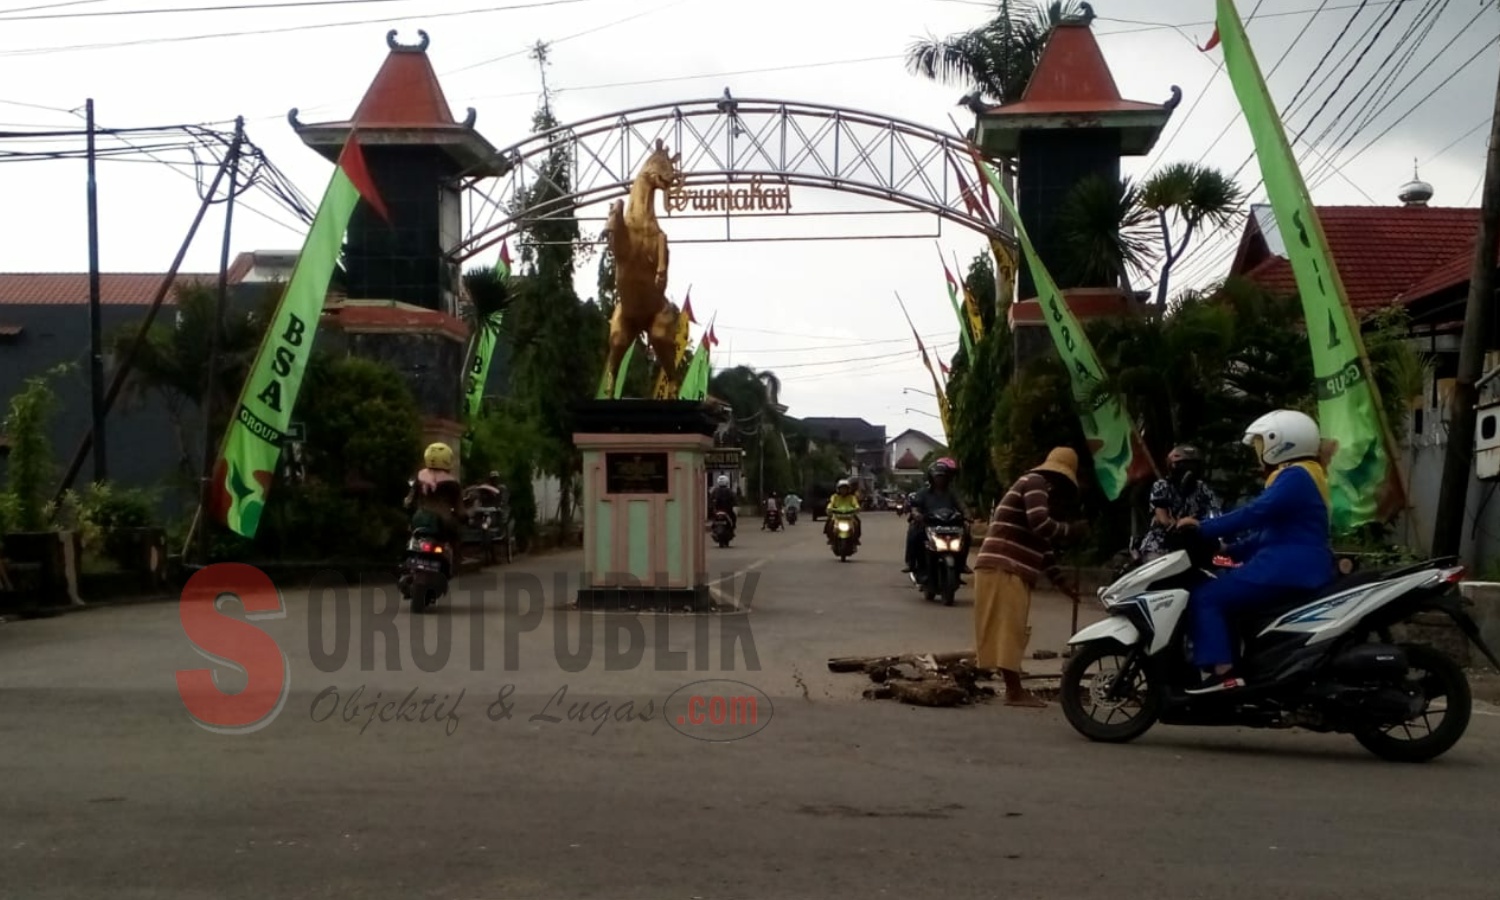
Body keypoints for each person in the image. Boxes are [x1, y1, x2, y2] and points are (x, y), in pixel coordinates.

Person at [1176, 409, 1335, 695]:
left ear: (1281, 442)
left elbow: (1256, 513)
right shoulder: (1305, 476)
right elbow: (1267, 534)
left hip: (1286, 568)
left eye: (1262, 444)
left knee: (1207, 597)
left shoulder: (1295, 476)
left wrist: (1203, 528)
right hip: (1292, 565)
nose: (1258, 453)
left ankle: (1224, 674)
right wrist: (1226, 549)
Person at [973, 447, 1089, 707]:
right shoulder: (1035, 483)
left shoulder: (1036, 487)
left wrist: (1062, 583)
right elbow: (1040, 523)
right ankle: (1014, 692)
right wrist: (1071, 531)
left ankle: (1013, 688)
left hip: (1007, 567)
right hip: (1004, 564)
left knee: (1011, 629)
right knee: (1009, 630)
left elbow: (1042, 545)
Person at [1134, 445, 1222, 561]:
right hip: (1163, 544)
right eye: (1185, 465)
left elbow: (1216, 514)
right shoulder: (1162, 485)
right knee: (1163, 570)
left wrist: (1197, 524)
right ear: (1173, 466)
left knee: (1224, 558)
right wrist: (1184, 523)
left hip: (1196, 541)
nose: (1190, 470)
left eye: (1194, 465)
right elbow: (1163, 519)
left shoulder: (1202, 488)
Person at [903, 459, 973, 580]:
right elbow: (915, 507)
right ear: (931, 478)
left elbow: (962, 505)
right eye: (937, 477)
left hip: (950, 526)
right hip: (928, 525)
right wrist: (917, 514)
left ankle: (961, 564)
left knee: (966, 535)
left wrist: (967, 515)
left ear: (947, 478)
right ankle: (912, 563)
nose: (940, 479)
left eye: (943, 476)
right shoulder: (923, 493)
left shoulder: (952, 493)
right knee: (914, 533)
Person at [405, 442, 463, 550]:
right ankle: (455, 563)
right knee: (456, 541)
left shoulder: (419, 478)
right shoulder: (453, 483)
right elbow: (460, 510)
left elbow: (409, 502)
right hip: (444, 524)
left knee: (410, 540)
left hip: (419, 520)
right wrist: (464, 517)